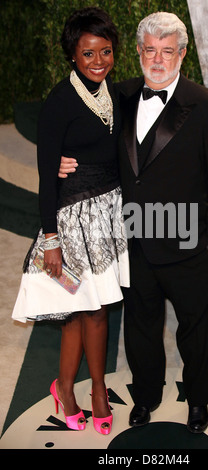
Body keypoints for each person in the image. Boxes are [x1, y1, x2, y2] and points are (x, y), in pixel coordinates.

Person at [59, 12, 208, 434]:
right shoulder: (116, 97)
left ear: (182, 53)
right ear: (139, 52)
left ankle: (197, 402)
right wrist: (59, 162)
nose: (158, 59)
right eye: (151, 50)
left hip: (190, 242)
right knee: (140, 328)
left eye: (168, 50)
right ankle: (146, 397)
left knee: (196, 331)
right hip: (133, 240)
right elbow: (77, 132)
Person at [12, 7, 129, 435]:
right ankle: (68, 387)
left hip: (108, 216)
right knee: (80, 312)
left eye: (106, 52)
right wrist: (51, 240)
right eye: (88, 54)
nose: (98, 62)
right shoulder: (59, 102)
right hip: (71, 222)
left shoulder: (112, 89)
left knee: (97, 310)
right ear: (72, 57)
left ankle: (95, 390)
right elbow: (47, 179)